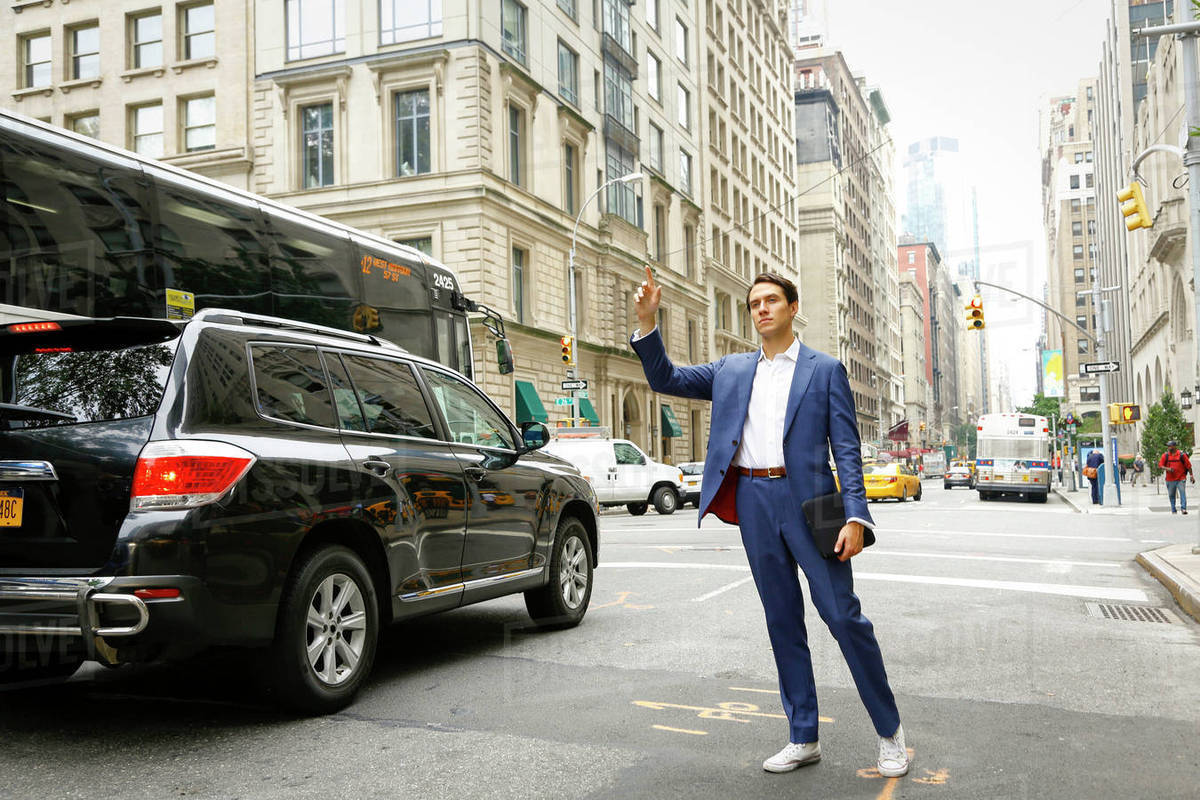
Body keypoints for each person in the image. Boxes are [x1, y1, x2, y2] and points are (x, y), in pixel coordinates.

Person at [629, 268, 908, 778]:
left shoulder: (825, 371)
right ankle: (803, 735)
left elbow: (845, 448)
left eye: (772, 300)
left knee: (843, 617)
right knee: (782, 621)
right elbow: (665, 378)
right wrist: (648, 323)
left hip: (816, 503)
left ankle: (890, 734)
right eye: (755, 302)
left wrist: (855, 516)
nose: (761, 308)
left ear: (792, 307)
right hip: (755, 498)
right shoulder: (732, 370)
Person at [1158, 440, 1194, 514]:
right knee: (1171, 495)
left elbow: (1189, 466)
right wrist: (1168, 469)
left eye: (1170, 446)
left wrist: (1191, 476)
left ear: (1174, 446)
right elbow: (1160, 465)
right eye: (1168, 446)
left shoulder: (1182, 455)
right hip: (1170, 479)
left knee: (1182, 493)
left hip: (1181, 478)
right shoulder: (1165, 455)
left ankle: (1183, 508)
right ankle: (1173, 509)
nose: (1168, 448)